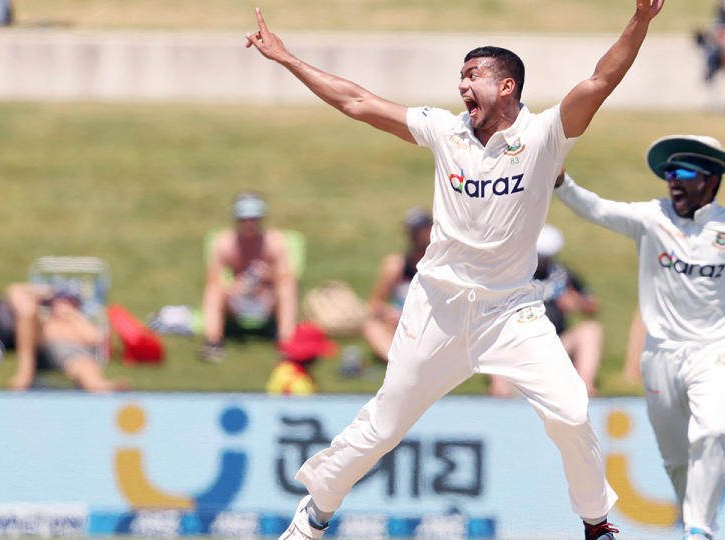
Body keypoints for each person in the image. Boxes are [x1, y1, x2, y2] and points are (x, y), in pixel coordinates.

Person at [245, 2, 664, 538]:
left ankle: (596, 524)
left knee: (572, 412)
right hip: (438, 306)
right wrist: (286, 58)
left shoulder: (544, 136)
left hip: (511, 310)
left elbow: (601, 79)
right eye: (461, 76)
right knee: (385, 425)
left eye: (473, 75)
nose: (462, 85)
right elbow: (356, 101)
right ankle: (315, 514)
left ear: (507, 86)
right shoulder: (446, 131)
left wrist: (641, 21)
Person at [554, 135, 725, 539]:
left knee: (713, 430)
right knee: (675, 460)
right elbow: (596, 209)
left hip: (714, 352)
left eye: (684, 173)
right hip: (661, 356)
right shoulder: (651, 218)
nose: (673, 182)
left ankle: (699, 530)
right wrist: (563, 183)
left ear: (711, 180)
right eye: (669, 173)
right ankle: (698, 524)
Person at [490, 224, 604, 397]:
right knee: (493, 331)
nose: (541, 261)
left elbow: (593, 305)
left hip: (557, 344)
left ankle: (584, 388)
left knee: (590, 330)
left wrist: (577, 302)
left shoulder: (563, 274)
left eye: (545, 257)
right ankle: (501, 391)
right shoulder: (513, 275)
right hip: (518, 346)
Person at [200, 191, 299, 362]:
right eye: (244, 219)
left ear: (261, 218)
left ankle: (286, 344)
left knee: (287, 288)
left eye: (254, 218)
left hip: (266, 299)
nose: (249, 224)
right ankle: (213, 342)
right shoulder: (224, 243)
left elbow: (288, 276)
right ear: (237, 219)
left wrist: (269, 275)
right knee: (214, 290)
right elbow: (213, 278)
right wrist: (233, 287)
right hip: (237, 299)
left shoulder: (275, 242)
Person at [6, 282, 129, 393]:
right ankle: (25, 373)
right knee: (27, 309)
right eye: (60, 300)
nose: (63, 304)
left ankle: (104, 389)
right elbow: (14, 292)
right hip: (42, 347)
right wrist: (47, 292)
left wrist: (74, 317)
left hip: (72, 355)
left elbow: (96, 339)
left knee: (86, 368)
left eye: (70, 301)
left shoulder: (79, 322)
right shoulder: (44, 320)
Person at [360, 207, 432, 364]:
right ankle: (400, 362)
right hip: (402, 326)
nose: (415, 236)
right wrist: (387, 313)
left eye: (420, 230)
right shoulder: (397, 264)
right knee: (371, 327)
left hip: (432, 326)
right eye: (412, 231)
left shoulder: (441, 265)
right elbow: (374, 304)